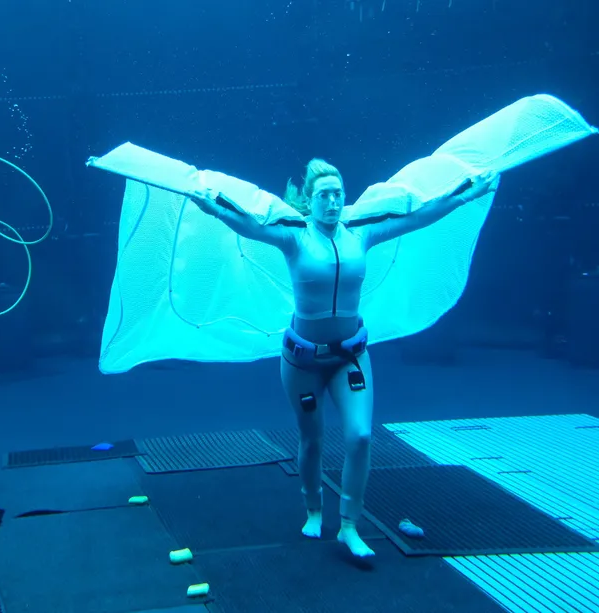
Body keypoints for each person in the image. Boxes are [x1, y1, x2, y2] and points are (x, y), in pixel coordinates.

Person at [190, 160, 499, 557]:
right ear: (310, 200)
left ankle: (350, 525)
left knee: (361, 436)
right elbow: (249, 225)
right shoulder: (294, 238)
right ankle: (314, 508)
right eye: (324, 195)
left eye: (338, 193)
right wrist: (212, 207)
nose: (333, 201)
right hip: (302, 362)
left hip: (349, 357)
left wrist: (467, 193)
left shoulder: (362, 233)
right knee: (311, 439)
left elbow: (420, 216)